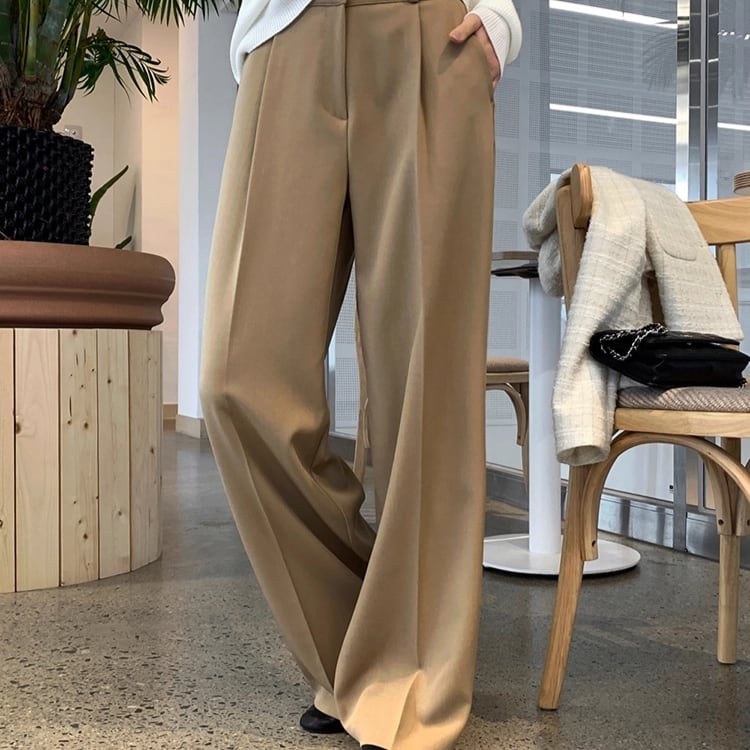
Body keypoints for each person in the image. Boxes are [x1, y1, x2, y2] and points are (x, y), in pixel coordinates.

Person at [199, 0, 521, 747]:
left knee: (427, 387)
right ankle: (368, 642)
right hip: (287, 35)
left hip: (433, 34)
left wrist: (501, 16)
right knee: (236, 376)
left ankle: (412, 674)